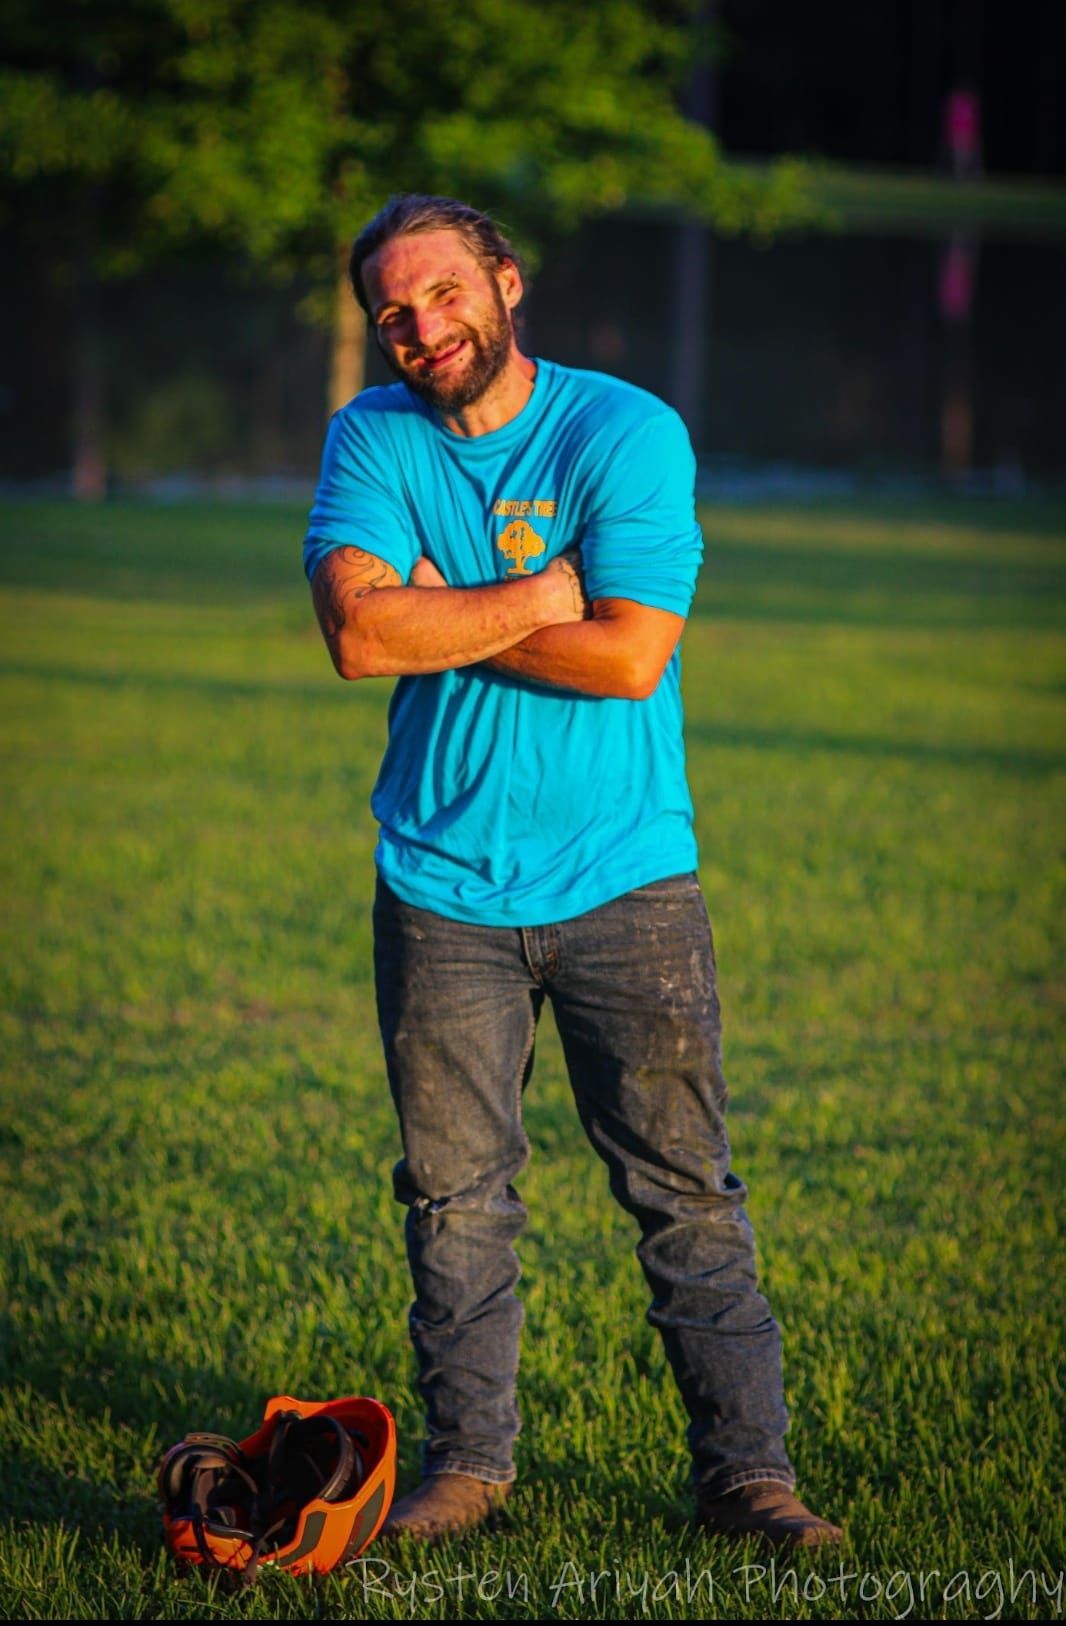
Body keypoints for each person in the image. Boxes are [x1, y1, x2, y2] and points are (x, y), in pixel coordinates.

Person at [303, 194, 842, 1551]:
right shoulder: (368, 436)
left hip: (625, 882)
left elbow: (627, 659)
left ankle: (749, 1482)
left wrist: (442, 610)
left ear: (505, 282)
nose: (421, 326)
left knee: (684, 1193)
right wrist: (544, 592)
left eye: (442, 292)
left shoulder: (621, 430)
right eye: (393, 311)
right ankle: (465, 1470)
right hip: (438, 881)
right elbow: (358, 642)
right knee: (452, 1200)